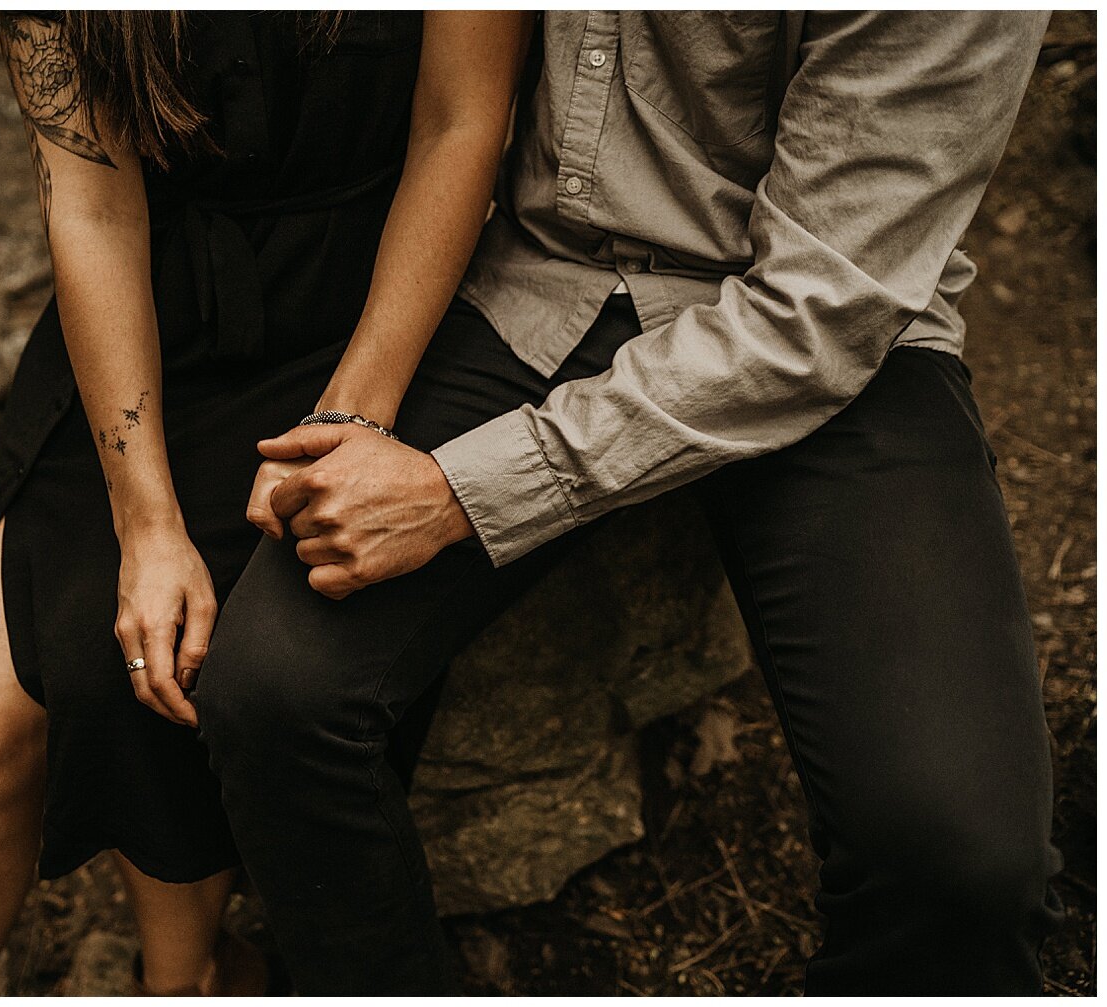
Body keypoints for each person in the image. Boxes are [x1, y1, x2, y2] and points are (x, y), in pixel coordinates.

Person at [195, 11, 1065, 995]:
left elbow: (815, 313)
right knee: (272, 691)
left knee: (961, 862)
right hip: (533, 280)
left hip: (826, 330)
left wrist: (458, 493)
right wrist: (352, 415)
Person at [0, 10, 529, 996]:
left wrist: (349, 417)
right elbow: (93, 207)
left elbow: (461, 123)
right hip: (146, 325)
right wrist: (147, 523)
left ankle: (183, 971)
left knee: (174, 680)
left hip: (373, 315)